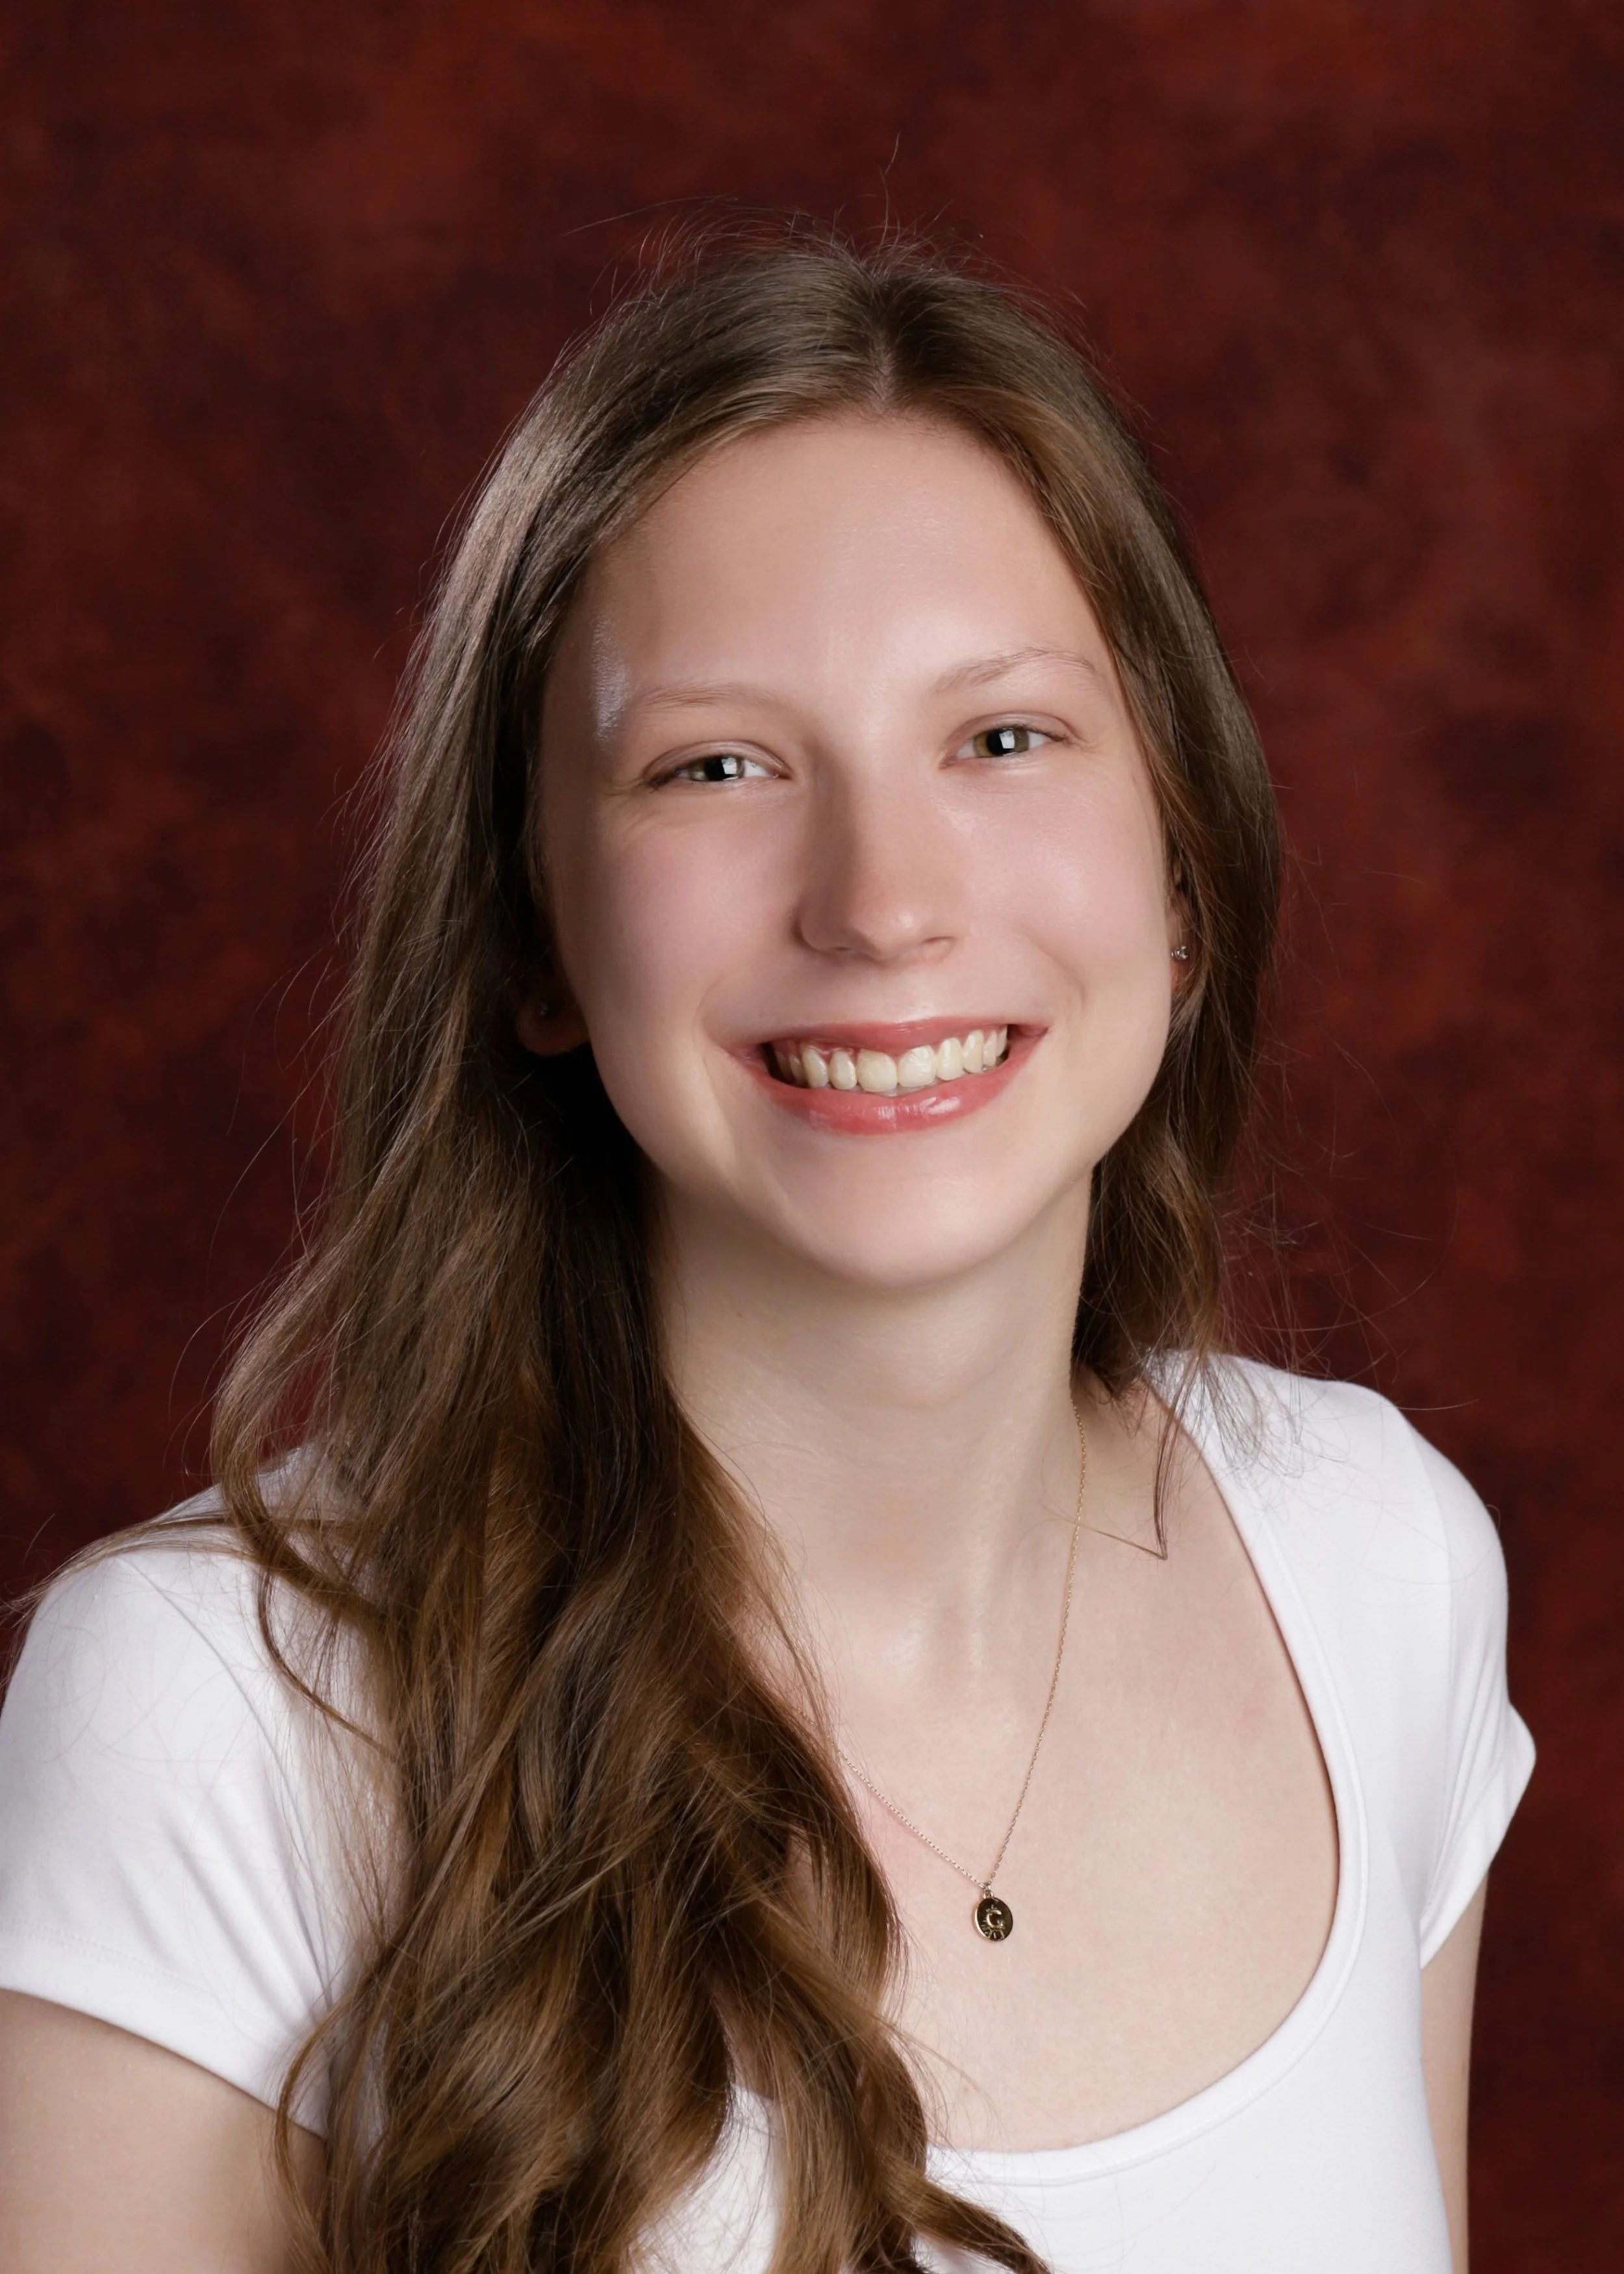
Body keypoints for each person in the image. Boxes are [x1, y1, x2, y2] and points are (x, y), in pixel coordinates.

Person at [0, 233, 1532, 2274]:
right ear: (535, 934)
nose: (883, 903)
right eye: (714, 765)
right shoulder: (218, 1712)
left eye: (1002, 738)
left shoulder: (1377, 1567)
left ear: (1179, 869)